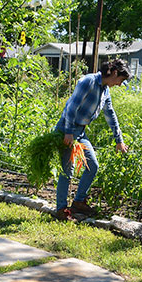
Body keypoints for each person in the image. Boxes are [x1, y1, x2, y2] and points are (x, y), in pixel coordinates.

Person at [53, 59, 130, 221]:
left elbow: (111, 115)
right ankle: (61, 209)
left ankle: (78, 201)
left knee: (92, 166)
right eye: (121, 80)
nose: (120, 84)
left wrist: (119, 140)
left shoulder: (105, 90)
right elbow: (71, 107)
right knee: (68, 171)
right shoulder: (88, 81)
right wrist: (67, 132)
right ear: (114, 73)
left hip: (80, 131)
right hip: (67, 129)